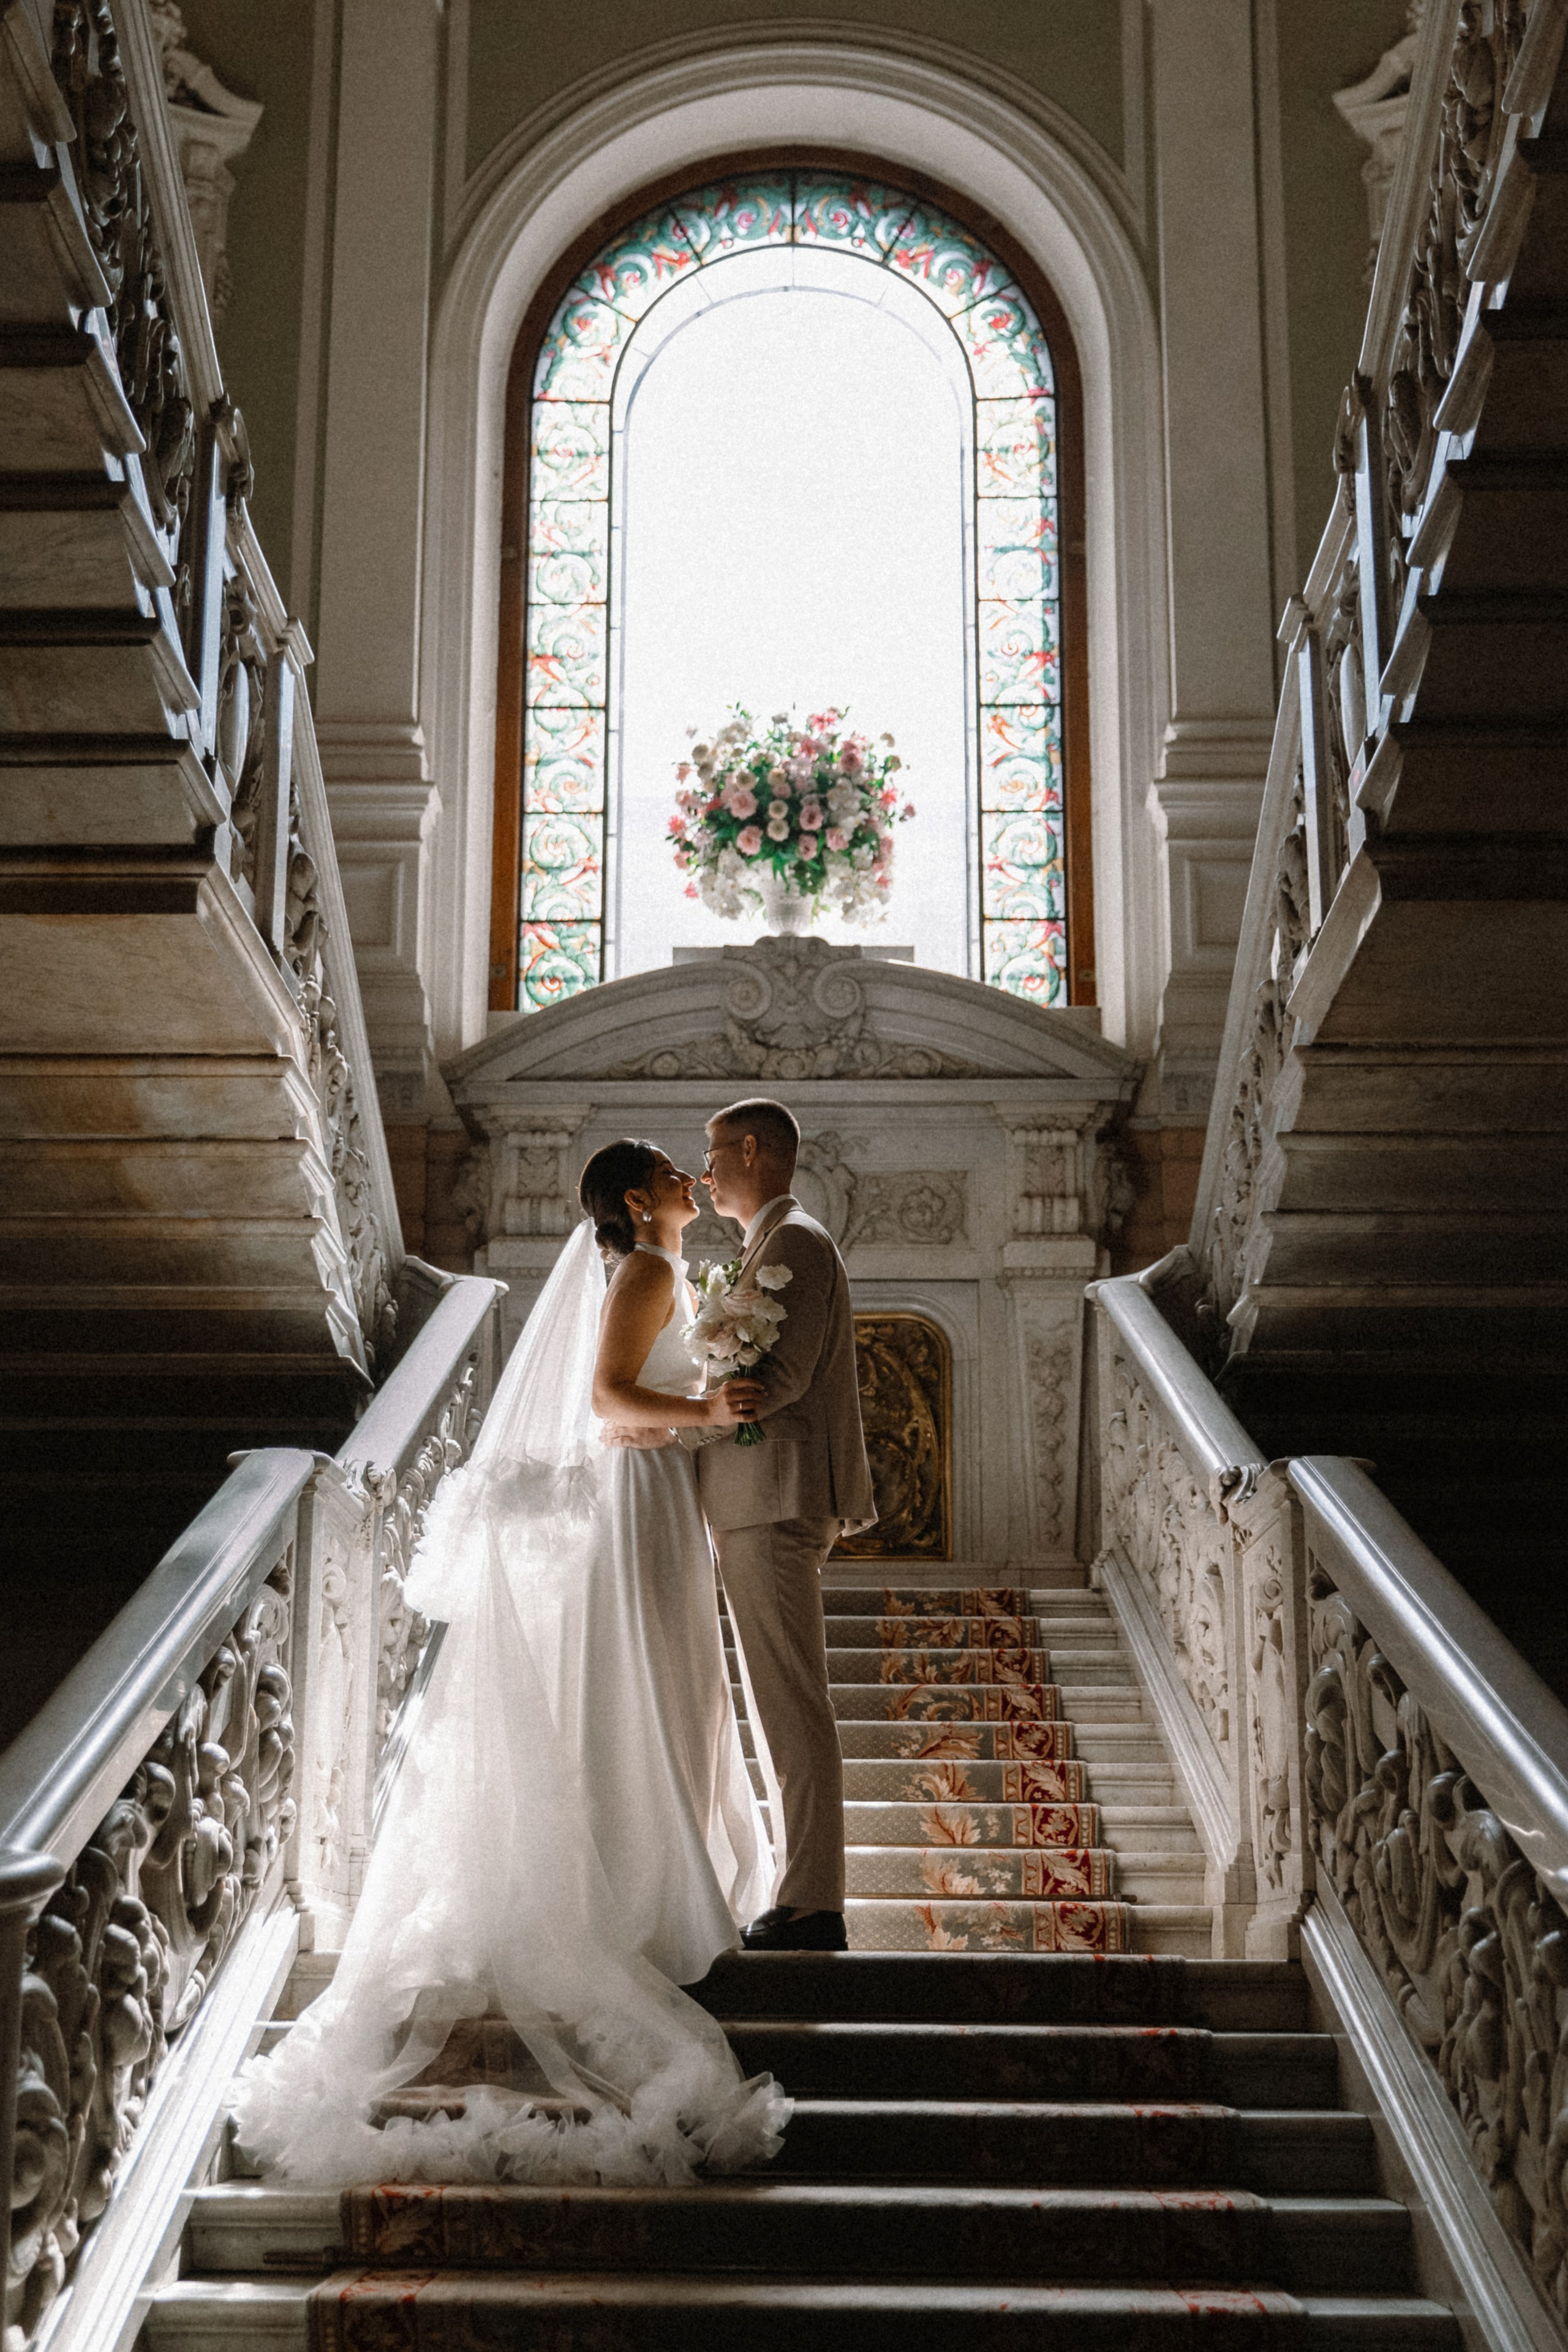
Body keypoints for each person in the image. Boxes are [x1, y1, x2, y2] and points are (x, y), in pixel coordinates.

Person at [228, 1140, 786, 2188]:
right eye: (671, 1171)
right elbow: (614, 1401)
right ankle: (636, 1903)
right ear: (636, 1197)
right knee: (661, 1701)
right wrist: (710, 1413)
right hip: (640, 1502)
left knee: (672, 1700)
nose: (687, 1182)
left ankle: (647, 1889)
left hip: (659, 1504)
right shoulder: (652, 1272)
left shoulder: (656, 1274)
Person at [688, 1096, 876, 1953]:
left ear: (754, 1151)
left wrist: (690, 1405)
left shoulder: (794, 1241)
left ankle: (814, 1904)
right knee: (780, 1697)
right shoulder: (769, 1244)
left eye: (716, 1153)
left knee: (792, 1698)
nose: (706, 1172)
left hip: (776, 1495)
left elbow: (783, 1374)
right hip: (757, 1497)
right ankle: (803, 1892)